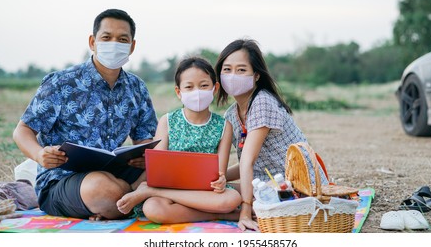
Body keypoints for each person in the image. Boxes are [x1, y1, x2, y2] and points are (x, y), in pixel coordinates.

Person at [12, 9, 158, 220]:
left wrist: (144, 159)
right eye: (106, 37)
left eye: (122, 39)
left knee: (164, 175)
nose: (114, 43)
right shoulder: (62, 83)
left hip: (115, 172)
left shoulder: (137, 88)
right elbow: (22, 130)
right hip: (62, 179)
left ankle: (119, 202)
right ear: (92, 42)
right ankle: (135, 196)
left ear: (132, 46)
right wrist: (38, 154)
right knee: (103, 189)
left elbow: (144, 139)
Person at [215, 38, 329, 231]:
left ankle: (245, 212)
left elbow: (247, 161)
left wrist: (245, 209)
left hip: (298, 185)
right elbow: (248, 162)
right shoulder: (231, 115)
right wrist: (221, 176)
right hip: (265, 184)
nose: (233, 75)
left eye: (241, 70)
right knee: (214, 191)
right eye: (227, 69)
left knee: (221, 198)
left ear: (256, 75)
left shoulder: (262, 102)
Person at [116, 57, 242, 223]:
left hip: (206, 193)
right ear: (178, 92)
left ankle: (153, 193)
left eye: (204, 85)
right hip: (171, 190)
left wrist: (221, 180)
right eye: (189, 87)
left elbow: (220, 172)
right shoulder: (167, 121)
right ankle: (220, 214)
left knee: (231, 199)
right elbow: (158, 170)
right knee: (152, 208)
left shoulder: (224, 126)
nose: (197, 92)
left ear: (215, 88)